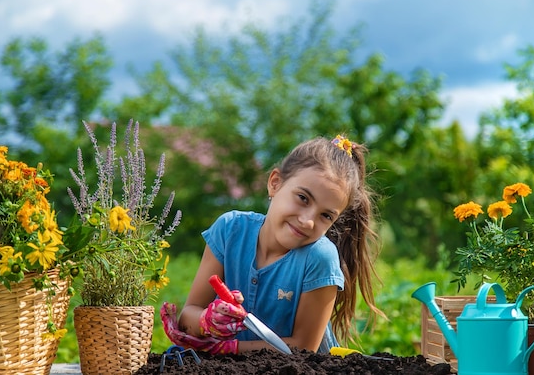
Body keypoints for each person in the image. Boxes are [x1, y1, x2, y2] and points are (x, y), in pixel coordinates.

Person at [161, 134, 382, 354]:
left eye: (325, 215)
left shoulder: (319, 257)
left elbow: (304, 348)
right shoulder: (230, 230)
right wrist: (206, 320)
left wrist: (229, 348)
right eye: (303, 198)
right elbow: (188, 316)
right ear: (275, 183)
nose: (307, 221)